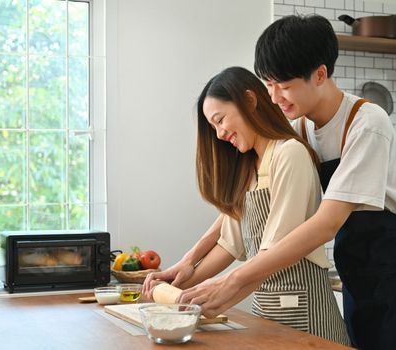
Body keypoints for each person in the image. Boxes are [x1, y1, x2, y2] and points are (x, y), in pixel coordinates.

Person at [146, 15, 396, 350]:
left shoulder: (367, 123)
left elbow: (328, 222)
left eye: (283, 86)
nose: (274, 97)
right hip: (356, 262)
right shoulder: (300, 128)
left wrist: (231, 281)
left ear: (320, 74)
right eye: (268, 85)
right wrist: (190, 260)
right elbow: (240, 209)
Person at [145, 66, 350, 345]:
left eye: (220, 120)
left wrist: (219, 288)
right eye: (213, 127)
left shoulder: (289, 154)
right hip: (266, 312)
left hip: (306, 314)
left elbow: (277, 249)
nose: (218, 134)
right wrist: (180, 283)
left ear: (250, 101)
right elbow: (229, 245)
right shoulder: (250, 169)